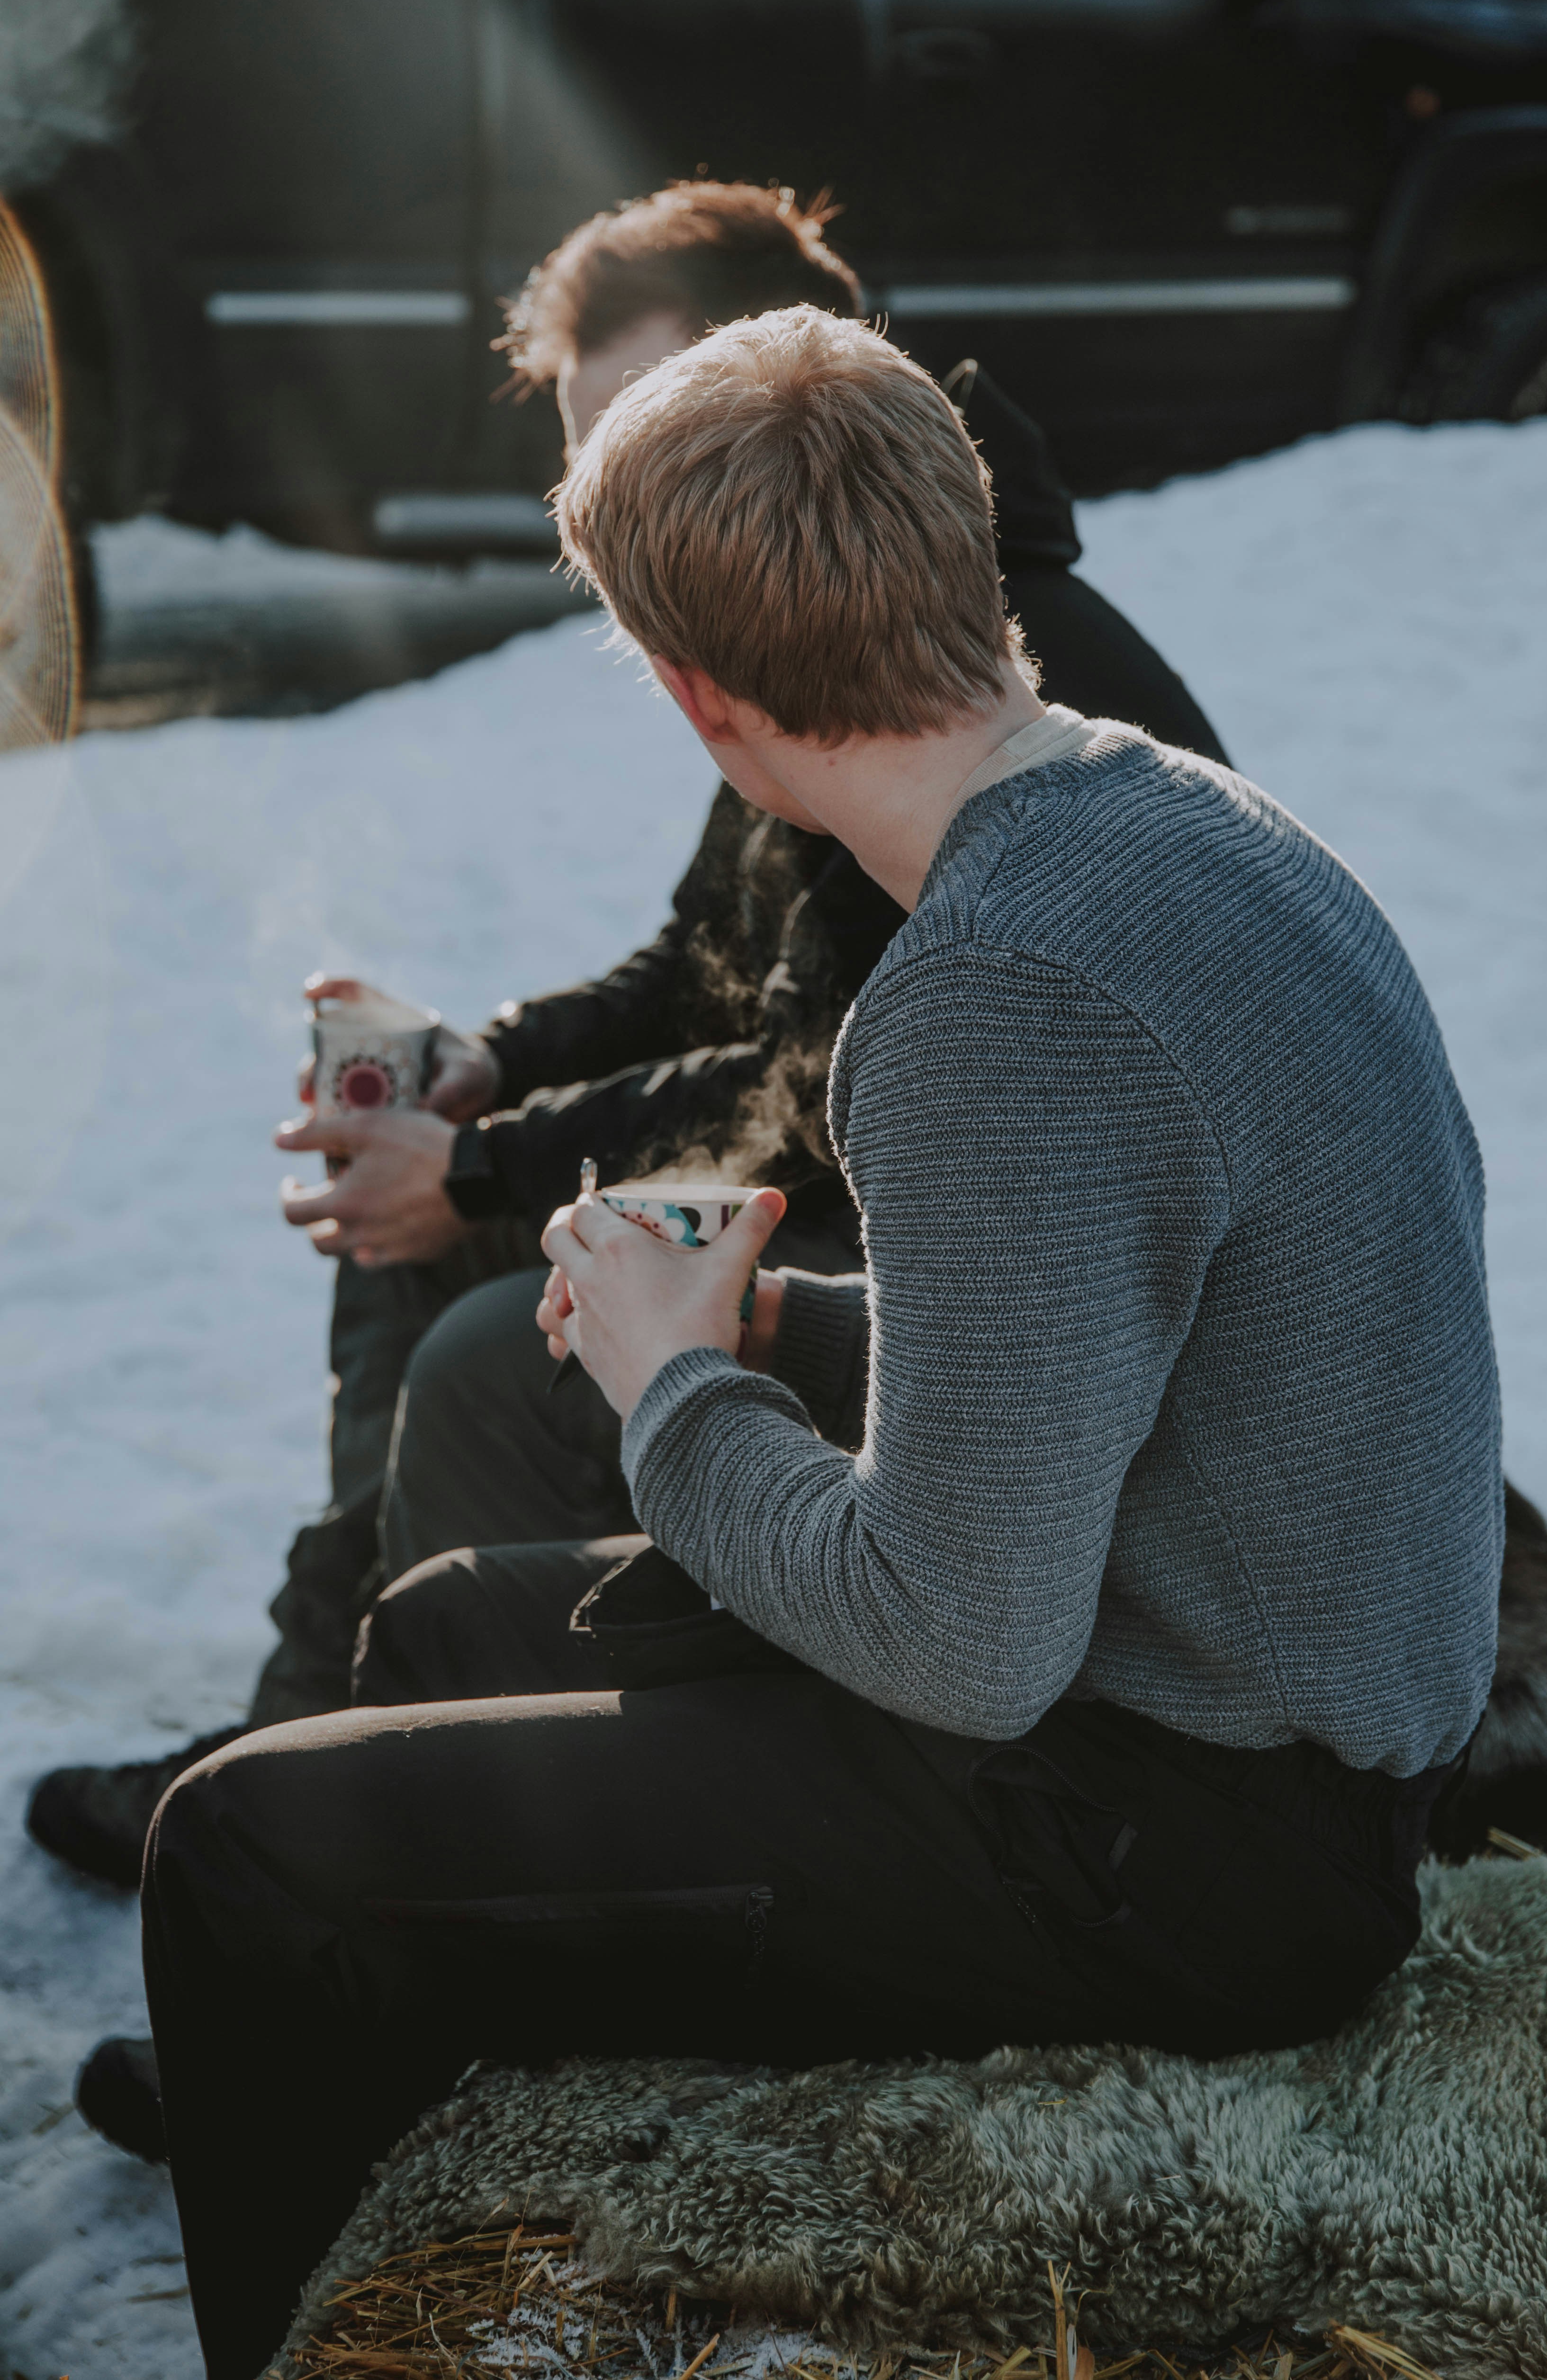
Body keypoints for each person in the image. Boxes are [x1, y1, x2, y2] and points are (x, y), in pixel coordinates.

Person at [140, 306, 1501, 2380]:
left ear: (697, 701)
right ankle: (441, 2169)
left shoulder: (991, 987)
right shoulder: (1175, 811)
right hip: (1229, 1726)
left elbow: (963, 1640)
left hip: (1196, 1846)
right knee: (428, 1629)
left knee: (239, 1858)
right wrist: (769, 1313)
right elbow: (1131, 1321)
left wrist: (680, 1391)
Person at [26, 180, 1229, 1888]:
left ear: (789, 381)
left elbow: (834, 1086)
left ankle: (426, 1857)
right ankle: (308, 1730)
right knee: (410, 1233)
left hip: (918, 1243)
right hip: (845, 1179)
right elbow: (710, 960)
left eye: (652, 439)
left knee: (472, 1340)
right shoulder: (813, 603)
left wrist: (498, 1176)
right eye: (592, 461)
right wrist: (497, 1074)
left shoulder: (951, 654)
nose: (618, 518)